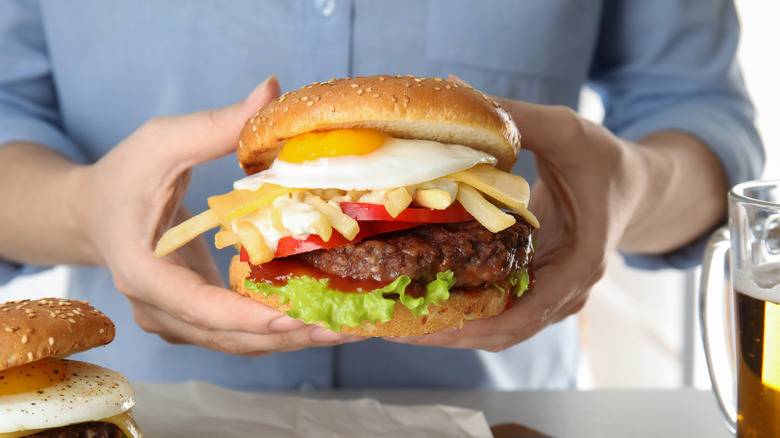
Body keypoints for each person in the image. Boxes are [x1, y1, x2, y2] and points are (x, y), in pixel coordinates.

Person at [0, 1, 763, 390]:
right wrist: (80, 209)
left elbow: (699, 115)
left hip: (508, 418)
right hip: (149, 413)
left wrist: (632, 186)